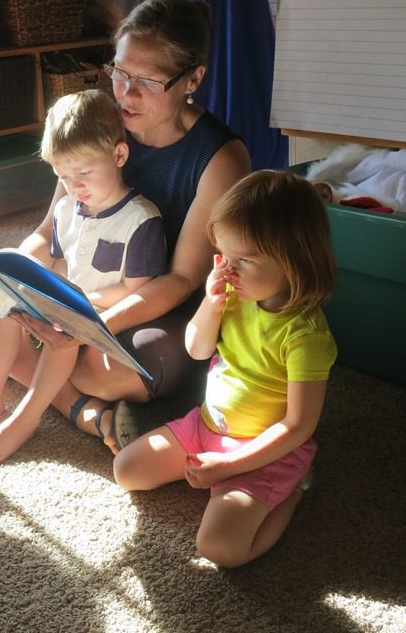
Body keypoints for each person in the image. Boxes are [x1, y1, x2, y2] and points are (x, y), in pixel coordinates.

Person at [0, 0, 251, 455]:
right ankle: (82, 410)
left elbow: (182, 279)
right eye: (120, 72)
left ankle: (26, 366)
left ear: (193, 79)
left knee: (110, 370)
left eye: (148, 81)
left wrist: (92, 323)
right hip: (85, 287)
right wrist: (19, 279)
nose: (126, 94)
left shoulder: (220, 156)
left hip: (158, 306)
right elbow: (49, 232)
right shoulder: (98, 123)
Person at [113, 170, 338, 568]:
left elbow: (299, 425)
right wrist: (211, 304)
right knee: (126, 470)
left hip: (263, 451)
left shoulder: (306, 336)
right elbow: (196, 348)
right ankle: (229, 480)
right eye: (224, 257)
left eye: (244, 260)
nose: (228, 272)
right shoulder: (234, 294)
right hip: (206, 427)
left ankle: (293, 490)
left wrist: (232, 466)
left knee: (221, 549)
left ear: (295, 260)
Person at [0, 89, 167, 464]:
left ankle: (26, 418)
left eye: (83, 173)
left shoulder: (140, 219)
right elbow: (61, 260)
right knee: (9, 301)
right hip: (69, 301)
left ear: (118, 155)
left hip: (107, 316)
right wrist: (28, 283)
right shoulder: (67, 208)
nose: (74, 186)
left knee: (61, 330)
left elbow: (136, 289)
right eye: (63, 176)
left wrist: (77, 300)